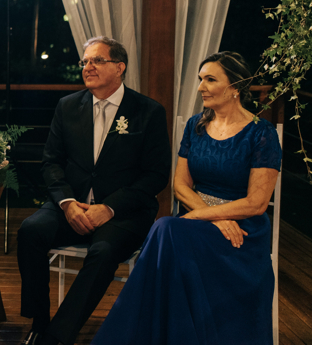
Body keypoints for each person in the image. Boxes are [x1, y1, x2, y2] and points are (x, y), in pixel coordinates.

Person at [92, 51, 281, 345]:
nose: (201, 87)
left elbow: (256, 203)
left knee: (165, 228)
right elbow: (181, 187)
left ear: (235, 87)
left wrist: (203, 217)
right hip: (200, 224)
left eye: (210, 79)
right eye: (200, 79)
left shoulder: (262, 134)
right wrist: (213, 217)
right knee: (168, 229)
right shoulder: (196, 126)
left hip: (242, 233)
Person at [16, 36, 170, 345]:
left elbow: (156, 175)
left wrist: (109, 207)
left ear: (119, 67)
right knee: (30, 231)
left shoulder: (147, 111)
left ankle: (58, 336)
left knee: (103, 253)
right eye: (85, 61)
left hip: (123, 214)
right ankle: (39, 320)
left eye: (97, 60)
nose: (88, 67)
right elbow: (51, 163)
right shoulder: (67, 106)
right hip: (71, 206)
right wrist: (67, 204)